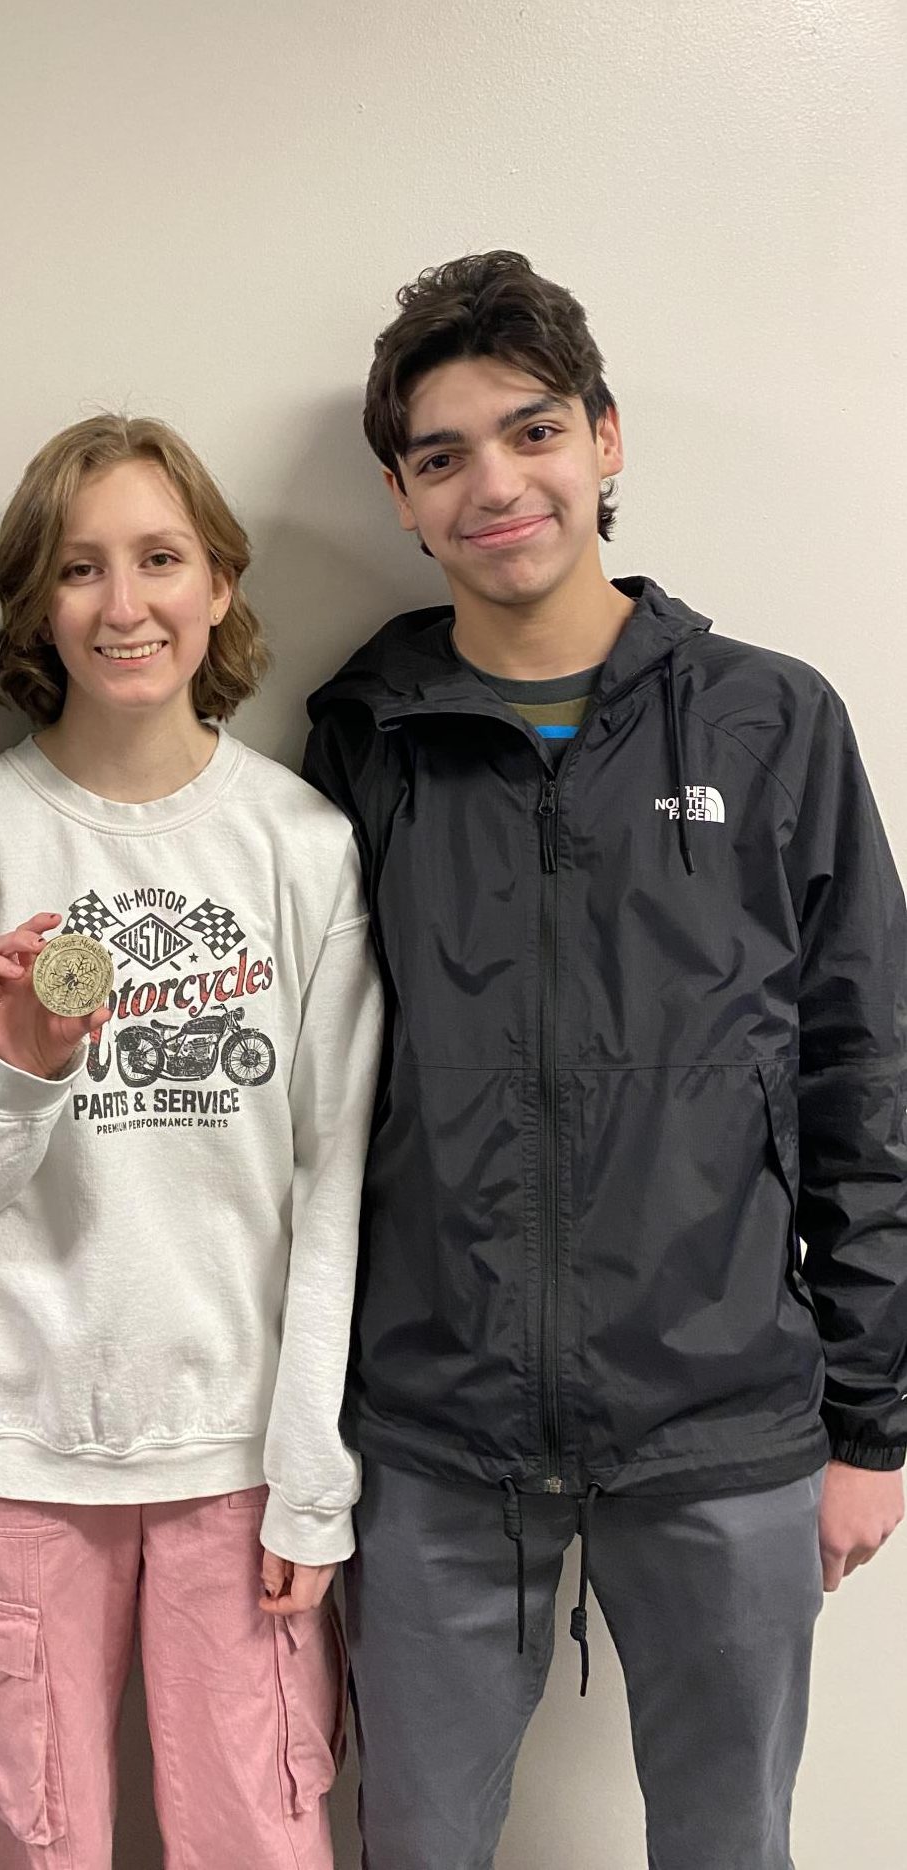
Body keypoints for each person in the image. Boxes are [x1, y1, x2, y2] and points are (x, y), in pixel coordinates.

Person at [304, 250, 907, 1869]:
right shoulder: (367, 739)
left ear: (607, 441)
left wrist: (874, 1421)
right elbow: (313, 1095)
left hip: (726, 1423)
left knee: (730, 1842)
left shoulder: (774, 724)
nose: (497, 483)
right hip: (432, 1430)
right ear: (403, 498)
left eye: (533, 430)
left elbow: (866, 1080)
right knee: (416, 1840)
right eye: (444, 457)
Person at [0, 413, 382, 1870]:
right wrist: (16, 1069)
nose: (123, 601)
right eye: (78, 568)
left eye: (160, 557)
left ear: (219, 582)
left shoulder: (299, 845)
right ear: (33, 605)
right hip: (21, 1450)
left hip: (240, 1457)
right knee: (37, 1842)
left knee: (262, 1838)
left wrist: (310, 1474)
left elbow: (332, 1178)